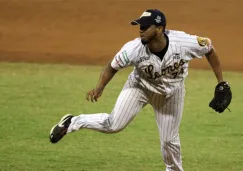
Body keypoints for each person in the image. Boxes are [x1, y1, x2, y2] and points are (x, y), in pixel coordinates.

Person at [49, 9, 228, 171]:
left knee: (169, 140)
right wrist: (99, 88)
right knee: (113, 125)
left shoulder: (183, 43)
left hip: (171, 93)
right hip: (139, 87)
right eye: (139, 26)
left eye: (145, 26)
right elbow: (112, 67)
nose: (140, 29)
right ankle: (72, 122)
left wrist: (221, 83)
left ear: (159, 29)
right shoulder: (133, 49)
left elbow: (209, 49)